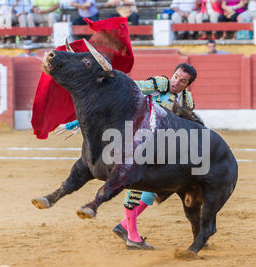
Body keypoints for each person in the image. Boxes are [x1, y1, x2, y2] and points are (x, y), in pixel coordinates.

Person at [59, 63, 199, 250]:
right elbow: (127, 91)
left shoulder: (187, 102)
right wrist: (77, 122)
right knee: (135, 186)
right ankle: (132, 236)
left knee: (156, 191)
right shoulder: (159, 85)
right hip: (135, 140)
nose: (176, 82)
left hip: (161, 147)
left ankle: (124, 226)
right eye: (175, 77)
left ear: (188, 84)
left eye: (182, 81)